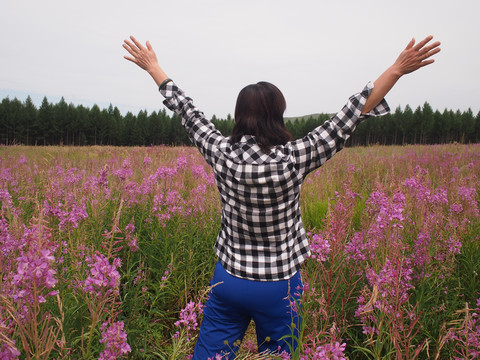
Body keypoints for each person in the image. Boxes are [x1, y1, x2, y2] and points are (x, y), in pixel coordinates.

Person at [123, 35, 440, 359]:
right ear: (278, 115)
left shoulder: (221, 153)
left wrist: (153, 68)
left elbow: (188, 112)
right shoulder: (295, 157)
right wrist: (397, 69)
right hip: (280, 287)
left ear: (238, 115)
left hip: (228, 280)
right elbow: (350, 114)